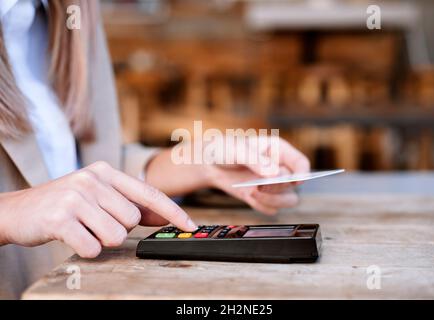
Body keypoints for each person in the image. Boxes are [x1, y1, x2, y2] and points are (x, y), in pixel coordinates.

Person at [0, 0, 309, 298]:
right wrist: (9, 214)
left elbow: (86, 169)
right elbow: (46, 197)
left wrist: (201, 161)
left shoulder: (74, 12)